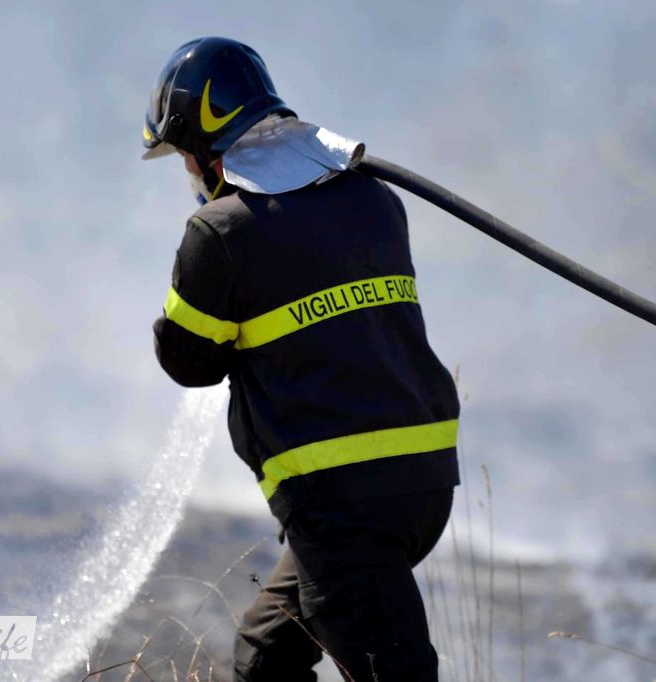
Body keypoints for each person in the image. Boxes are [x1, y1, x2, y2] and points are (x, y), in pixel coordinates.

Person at [143, 36, 460, 682]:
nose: (186, 171)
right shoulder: (373, 198)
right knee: (266, 659)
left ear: (203, 145)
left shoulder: (221, 231)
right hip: (422, 482)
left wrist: (206, 260)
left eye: (182, 155)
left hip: (343, 506)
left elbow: (190, 362)